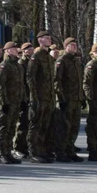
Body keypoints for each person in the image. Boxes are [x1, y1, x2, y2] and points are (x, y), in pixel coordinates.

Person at [27, 30, 56, 163]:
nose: (50, 40)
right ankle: (33, 152)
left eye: (50, 38)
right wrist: (34, 98)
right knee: (35, 125)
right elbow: (30, 78)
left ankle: (42, 151)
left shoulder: (49, 58)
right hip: (39, 97)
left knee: (45, 125)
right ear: (40, 40)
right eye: (46, 38)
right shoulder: (36, 56)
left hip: (48, 97)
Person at [54, 38, 83, 163]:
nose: (74, 47)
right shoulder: (62, 61)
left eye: (75, 45)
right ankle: (60, 152)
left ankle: (70, 151)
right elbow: (56, 81)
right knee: (64, 127)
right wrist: (61, 98)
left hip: (76, 99)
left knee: (74, 127)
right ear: (66, 47)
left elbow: (79, 82)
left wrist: (82, 97)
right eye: (72, 45)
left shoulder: (76, 61)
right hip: (66, 99)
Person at [0, 41, 23, 164]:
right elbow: (0, 85)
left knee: (12, 128)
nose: (16, 50)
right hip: (7, 102)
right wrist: (3, 102)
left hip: (16, 101)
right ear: (7, 51)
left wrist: (23, 100)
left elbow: (21, 85)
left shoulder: (18, 65)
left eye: (17, 48)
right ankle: (2, 153)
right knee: (4, 128)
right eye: (13, 48)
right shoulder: (4, 65)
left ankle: (8, 151)